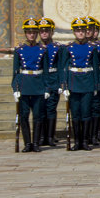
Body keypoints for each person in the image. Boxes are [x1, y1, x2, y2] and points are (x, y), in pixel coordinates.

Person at [60, 17, 100, 151]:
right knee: (75, 113)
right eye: (78, 31)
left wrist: (95, 86)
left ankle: (85, 141)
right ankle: (77, 141)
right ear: (74, 32)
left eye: (83, 30)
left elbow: (95, 68)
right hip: (73, 83)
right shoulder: (68, 48)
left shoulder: (92, 48)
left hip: (87, 82)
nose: (81, 33)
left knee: (86, 113)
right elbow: (64, 68)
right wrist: (64, 86)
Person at [11, 18, 49, 152]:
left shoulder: (43, 50)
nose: (31, 35)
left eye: (34, 32)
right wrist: (15, 88)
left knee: (38, 116)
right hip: (24, 85)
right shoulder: (19, 50)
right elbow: (15, 71)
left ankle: (36, 143)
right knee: (24, 116)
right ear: (25, 33)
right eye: (29, 32)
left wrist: (46, 88)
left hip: (38, 85)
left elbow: (45, 71)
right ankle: (27, 143)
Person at [37, 17, 62, 147]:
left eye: (47, 31)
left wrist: (60, 83)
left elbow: (60, 66)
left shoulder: (57, 48)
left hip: (53, 80)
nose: (44, 33)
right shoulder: (37, 48)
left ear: (52, 32)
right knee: (40, 109)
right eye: (42, 31)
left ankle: (50, 136)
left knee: (51, 109)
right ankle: (41, 136)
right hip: (40, 81)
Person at [86, 16, 100, 143]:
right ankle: (87, 134)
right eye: (87, 29)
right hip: (85, 80)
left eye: (92, 29)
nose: (89, 32)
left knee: (96, 108)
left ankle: (95, 133)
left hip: (98, 80)